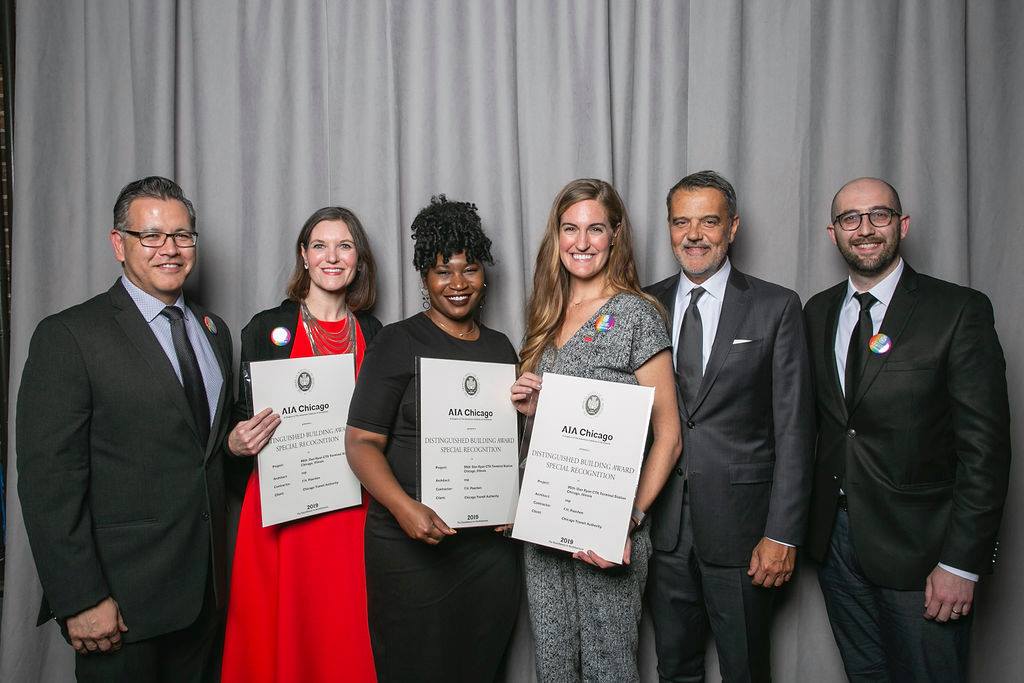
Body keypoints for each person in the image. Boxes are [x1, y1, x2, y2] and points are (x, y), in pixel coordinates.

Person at [17, 176, 233, 682]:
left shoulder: (214, 331)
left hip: (205, 597)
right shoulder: (69, 335)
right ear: (119, 244)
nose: (170, 250)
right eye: (152, 236)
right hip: (120, 604)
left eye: (182, 236)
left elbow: (201, 454)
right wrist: (80, 597)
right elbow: (49, 480)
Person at [803, 177, 1011, 681]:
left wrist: (962, 563)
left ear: (902, 224)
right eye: (851, 219)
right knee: (866, 673)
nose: (865, 229)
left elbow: (986, 450)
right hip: (836, 544)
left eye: (879, 215)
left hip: (924, 552)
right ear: (834, 233)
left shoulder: (958, 311)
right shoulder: (817, 311)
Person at [643, 170, 815, 682]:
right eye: (681, 222)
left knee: (745, 670)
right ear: (670, 228)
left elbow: (795, 430)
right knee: (675, 668)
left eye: (708, 221)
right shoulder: (643, 304)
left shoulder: (775, 306)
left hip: (744, 532)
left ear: (733, 227)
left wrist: (782, 533)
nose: (693, 234)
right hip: (663, 529)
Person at [511, 178, 682, 682]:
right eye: (570, 228)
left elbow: (669, 435)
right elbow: (560, 423)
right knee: (555, 667)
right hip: (544, 529)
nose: (581, 242)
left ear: (615, 236)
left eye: (595, 229)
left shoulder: (637, 315)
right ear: (556, 236)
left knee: (610, 668)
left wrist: (626, 520)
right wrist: (530, 409)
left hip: (608, 532)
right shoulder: (544, 316)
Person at [346, 195, 520, 682]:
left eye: (469, 270)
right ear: (425, 278)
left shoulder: (501, 347)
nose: (458, 284)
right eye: (443, 272)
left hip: (488, 556)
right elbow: (360, 442)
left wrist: (512, 502)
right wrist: (405, 509)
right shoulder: (397, 342)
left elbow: (506, 445)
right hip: (410, 552)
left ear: (484, 275)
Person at [220, 207, 382, 682]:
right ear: (304, 258)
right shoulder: (266, 328)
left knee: (344, 634)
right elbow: (236, 414)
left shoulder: (374, 333)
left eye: (344, 246)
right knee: (282, 641)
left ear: (359, 260)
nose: (332, 257)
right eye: (320, 246)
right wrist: (236, 440)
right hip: (283, 512)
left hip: (355, 509)